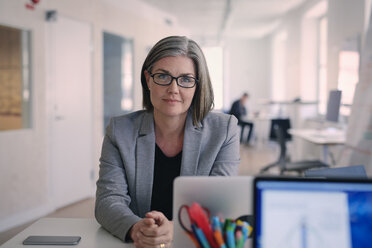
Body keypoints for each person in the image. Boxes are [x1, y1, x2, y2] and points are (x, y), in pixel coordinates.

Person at [95, 36, 240, 248]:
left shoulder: (224, 130)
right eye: (163, 76)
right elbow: (108, 201)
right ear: (148, 79)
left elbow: (222, 203)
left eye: (186, 79)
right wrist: (137, 229)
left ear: (197, 85)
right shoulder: (120, 131)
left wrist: (176, 228)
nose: (173, 89)